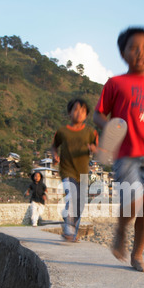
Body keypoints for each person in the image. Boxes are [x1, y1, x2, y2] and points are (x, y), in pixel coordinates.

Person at [93, 26, 144, 272]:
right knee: (135, 201)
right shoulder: (115, 83)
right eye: (133, 48)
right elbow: (98, 114)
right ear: (123, 53)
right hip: (127, 155)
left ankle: (137, 256)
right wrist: (110, 127)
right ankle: (120, 229)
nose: (140, 52)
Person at [52, 98, 98, 242]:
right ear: (69, 113)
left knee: (80, 204)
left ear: (86, 115)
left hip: (83, 173)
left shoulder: (90, 132)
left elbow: (98, 149)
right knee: (72, 198)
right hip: (67, 171)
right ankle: (69, 230)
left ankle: (72, 230)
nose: (79, 113)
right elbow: (54, 146)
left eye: (83, 111)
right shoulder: (62, 131)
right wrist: (54, 155)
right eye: (76, 110)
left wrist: (94, 149)